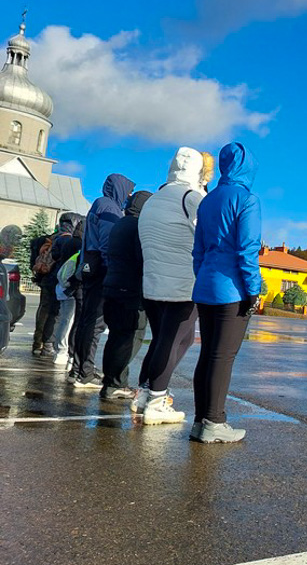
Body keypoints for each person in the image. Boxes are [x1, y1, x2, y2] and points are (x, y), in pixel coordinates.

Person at [133, 148, 212, 424]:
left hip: (153, 281)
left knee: (167, 339)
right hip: (183, 283)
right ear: (198, 172)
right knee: (174, 339)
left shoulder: (154, 199)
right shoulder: (192, 197)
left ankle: (144, 392)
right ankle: (157, 399)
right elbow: (210, 231)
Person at [190, 142, 261, 443]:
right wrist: (253, 291)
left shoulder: (207, 200)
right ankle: (214, 421)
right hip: (231, 289)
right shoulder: (247, 200)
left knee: (207, 354)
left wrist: (203, 277)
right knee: (223, 356)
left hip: (205, 286)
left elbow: (198, 251)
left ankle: (200, 420)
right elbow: (247, 250)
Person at [70, 173, 136, 389]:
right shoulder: (109, 208)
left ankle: (78, 369)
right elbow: (109, 242)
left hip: (90, 268)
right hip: (102, 271)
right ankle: (85, 372)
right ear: (119, 189)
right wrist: (113, 268)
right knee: (96, 324)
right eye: (128, 191)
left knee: (85, 321)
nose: (129, 195)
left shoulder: (98, 204)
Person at [100, 191, 153, 399]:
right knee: (131, 335)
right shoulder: (139, 227)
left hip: (112, 285)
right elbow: (142, 259)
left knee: (115, 336)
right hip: (129, 289)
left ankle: (111, 381)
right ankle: (115, 384)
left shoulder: (120, 224)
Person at [48, 212, 85, 368]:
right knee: (70, 321)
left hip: (63, 284)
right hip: (72, 285)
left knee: (64, 319)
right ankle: (64, 351)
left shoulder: (66, 242)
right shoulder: (79, 245)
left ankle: (59, 350)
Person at [29, 231, 56, 355]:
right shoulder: (59, 242)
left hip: (45, 280)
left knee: (43, 311)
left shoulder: (48, 241)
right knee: (53, 314)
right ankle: (46, 344)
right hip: (54, 281)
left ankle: (37, 343)